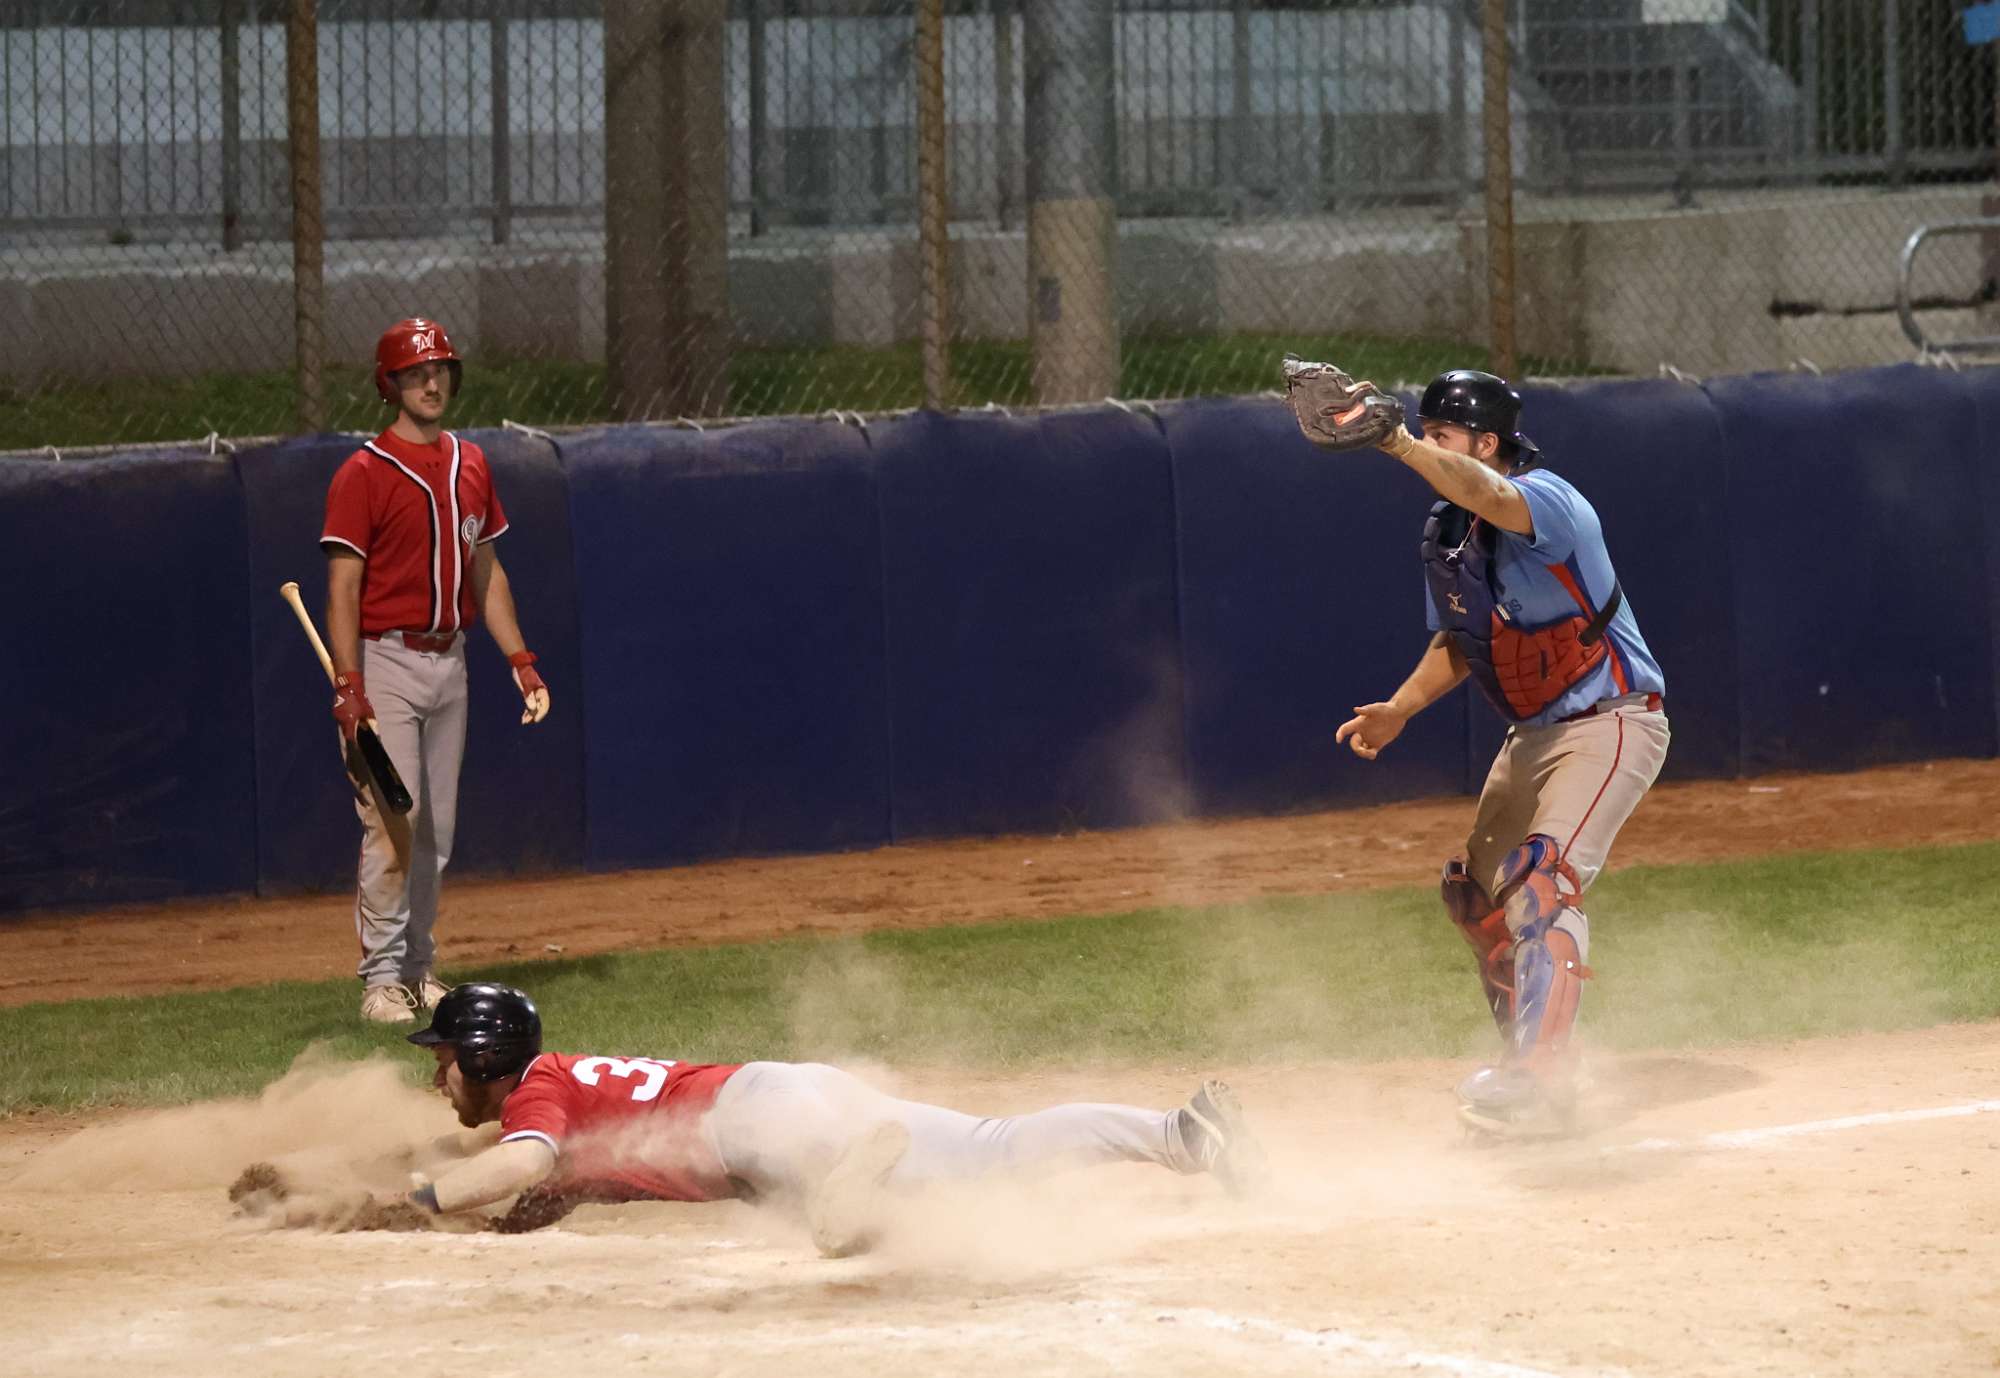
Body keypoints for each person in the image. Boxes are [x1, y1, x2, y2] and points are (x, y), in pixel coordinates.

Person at [1333, 369, 1669, 1137]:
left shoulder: (1547, 499)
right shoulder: (1449, 533)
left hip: (1613, 722)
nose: (1427, 447)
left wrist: (1395, 442)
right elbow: (1463, 641)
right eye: (1423, 432)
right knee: (1475, 893)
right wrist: (1400, 709)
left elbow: (1486, 492)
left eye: (1441, 436)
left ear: (1487, 444)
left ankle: (1539, 1082)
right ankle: (1543, 1063)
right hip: (1534, 736)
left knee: (1540, 880)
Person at [395, 984, 1265, 1254]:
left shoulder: (536, 1094)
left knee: (837, 1226)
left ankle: (845, 1192)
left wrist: (427, 1199)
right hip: (785, 1091)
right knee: (991, 1148)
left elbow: (525, 1163)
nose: (438, 1074)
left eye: (445, 1057)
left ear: (485, 1058)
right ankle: (1181, 1133)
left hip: (747, 1128)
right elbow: (545, 1190)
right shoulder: (570, 1092)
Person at [321, 318, 552, 1024]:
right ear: (389, 385)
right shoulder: (363, 472)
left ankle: (418, 969)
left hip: (450, 658)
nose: (431, 382)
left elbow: (487, 571)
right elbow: (343, 589)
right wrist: (349, 684)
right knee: (396, 820)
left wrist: (521, 660)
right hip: (386, 657)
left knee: (436, 831)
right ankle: (381, 980)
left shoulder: (471, 463)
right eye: (416, 373)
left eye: (440, 370)